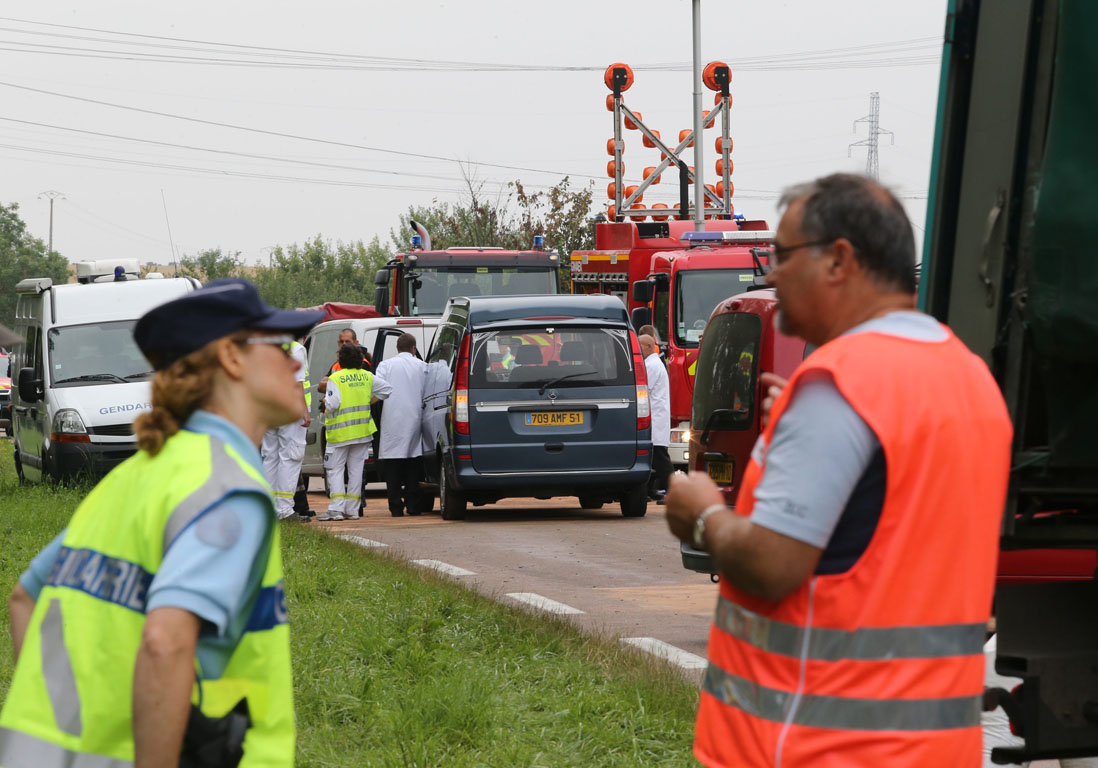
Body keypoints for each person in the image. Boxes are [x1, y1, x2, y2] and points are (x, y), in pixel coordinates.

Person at [664, 173, 1014, 767]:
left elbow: (774, 565)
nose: (771, 273)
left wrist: (702, 518)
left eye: (784, 255)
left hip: (814, 749)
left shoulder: (837, 387)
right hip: (933, 749)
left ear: (840, 261)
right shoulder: (970, 380)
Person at [0, 278, 322, 767]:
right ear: (232, 359)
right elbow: (165, 641)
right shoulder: (228, 487)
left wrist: (72, 727)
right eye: (279, 346)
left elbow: (26, 598)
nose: (296, 360)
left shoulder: (137, 475)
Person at [320, 343, 389, 521]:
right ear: (360, 359)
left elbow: (333, 404)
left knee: (335, 470)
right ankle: (352, 510)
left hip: (340, 434)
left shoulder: (335, 378)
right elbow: (387, 390)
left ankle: (336, 509)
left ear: (341, 360)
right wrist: (369, 401)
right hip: (362, 432)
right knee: (356, 471)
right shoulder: (367, 376)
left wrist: (324, 401)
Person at [374, 332, 427, 517]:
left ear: (397, 348)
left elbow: (377, 388)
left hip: (392, 422)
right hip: (415, 421)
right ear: (414, 349)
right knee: (413, 465)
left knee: (393, 467)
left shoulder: (385, 365)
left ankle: (395, 507)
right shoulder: (422, 366)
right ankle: (413, 506)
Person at [261, 334, 312, 521]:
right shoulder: (295, 349)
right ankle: (284, 510)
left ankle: (269, 508)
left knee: (270, 457)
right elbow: (297, 384)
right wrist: (304, 412)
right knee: (290, 457)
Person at [639, 333, 671, 501]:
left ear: (649, 347)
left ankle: (673, 491)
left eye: (640, 346)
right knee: (652, 457)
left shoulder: (651, 366)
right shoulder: (653, 364)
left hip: (656, 418)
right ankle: (650, 490)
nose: (637, 350)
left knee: (660, 458)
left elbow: (643, 388)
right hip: (656, 417)